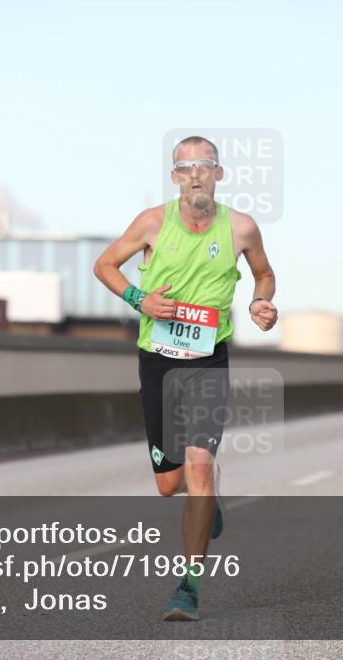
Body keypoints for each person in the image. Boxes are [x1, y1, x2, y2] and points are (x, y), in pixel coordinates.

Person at [93, 135, 278, 621]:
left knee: (197, 466)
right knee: (169, 484)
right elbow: (104, 264)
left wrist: (261, 301)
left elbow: (264, 273)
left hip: (208, 361)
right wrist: (139, 300)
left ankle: (188, 587)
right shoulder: (153, 222)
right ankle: (209, 492)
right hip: (158, 360)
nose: (195, 173)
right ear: (175, 177)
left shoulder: (241, 227)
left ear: (220, 173)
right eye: (185, 166)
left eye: (205, 165)